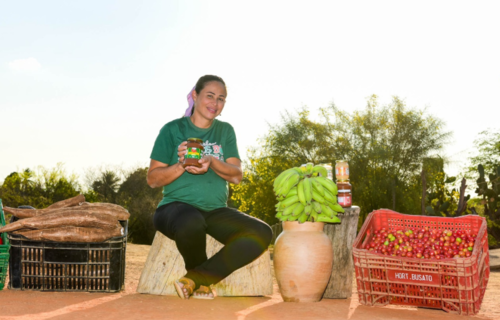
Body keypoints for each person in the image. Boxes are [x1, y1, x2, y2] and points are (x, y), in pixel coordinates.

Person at [147, 75, 273, 300]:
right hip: (174, 209)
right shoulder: (172, 129)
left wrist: (212, 161)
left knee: (262, 232)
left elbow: (236, 176)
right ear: (195, 95)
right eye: (210, 96)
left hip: (215, 211)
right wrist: (182, 165)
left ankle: (196, 279)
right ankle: (200, 280)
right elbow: (153, 179)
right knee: (191, 220)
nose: (215, 103)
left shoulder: (225, 131)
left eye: (221, 99)